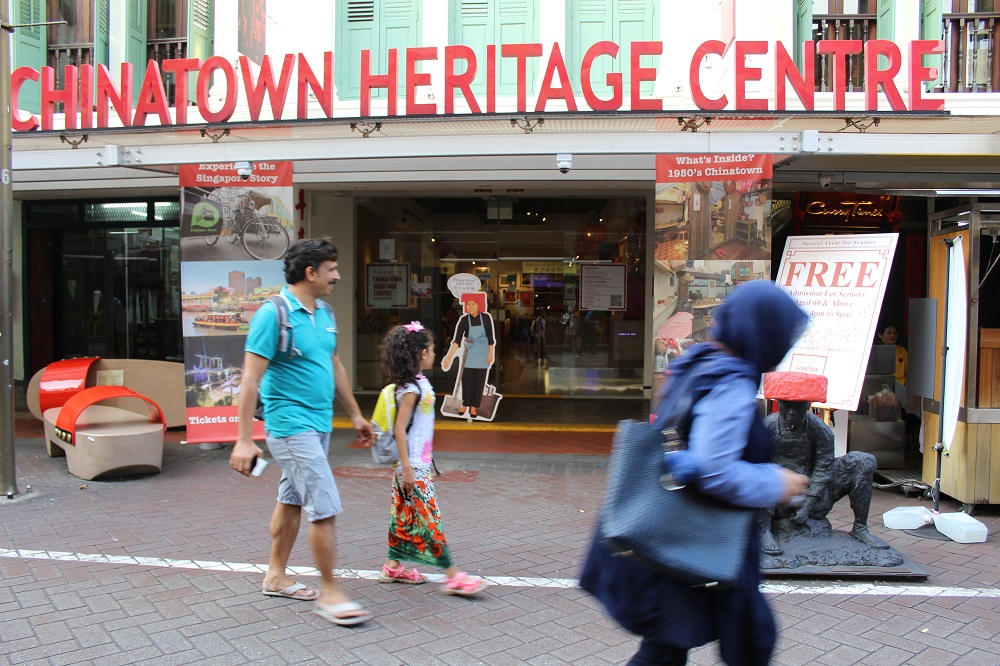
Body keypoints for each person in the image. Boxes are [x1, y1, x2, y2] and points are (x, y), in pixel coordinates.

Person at [580, 280, 812, 666]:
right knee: (750, 637)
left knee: (668, 647)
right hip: (705, 537)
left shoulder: (698, 361)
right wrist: (777, 483)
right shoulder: (732, 382)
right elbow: (713, 469)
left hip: (676, 534)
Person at [230, 238, 375, 627]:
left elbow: (334, 364)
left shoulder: (325, 312)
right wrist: (245, 439)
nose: (338, 276)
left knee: (292, 498)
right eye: (331, 269)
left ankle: (275, 577)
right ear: (311, 273)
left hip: (319, 424)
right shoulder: (272, 315)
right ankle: (330, 593)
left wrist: (357, 416)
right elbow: (249, 380)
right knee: (323, 505)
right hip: (290, 426)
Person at [375, 321, 488, 595]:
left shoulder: (418, 383)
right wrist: (407, 469)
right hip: (412, 467)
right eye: (434, 349)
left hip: (413, 465)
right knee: (429, 520)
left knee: (402, 517)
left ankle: (392, 567)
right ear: (421, 354)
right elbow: (400, 429)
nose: (436, 353)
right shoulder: (412, 389)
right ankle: (453, 576)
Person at [760, 399, 890, 556]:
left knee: (864, 461)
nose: (792, 412)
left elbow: (824, 467)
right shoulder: (767, 427)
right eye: (787, 406)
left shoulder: (820, 430)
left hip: (814, 495)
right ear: (778, 404)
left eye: (799, 407)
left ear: (808, 406)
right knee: (757, 470)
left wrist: (807, 505)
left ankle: (860, 527)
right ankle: (764, 530)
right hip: (776, 499)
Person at [441, 292, 495, 418]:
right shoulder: (464, 320)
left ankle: (474, 407)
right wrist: (448, 357)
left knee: (479, 381)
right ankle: (465, 404)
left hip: (483, 354)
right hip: (469, 354)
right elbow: (457, 341)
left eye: (473, 304)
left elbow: (491, 339)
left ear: (478, 305)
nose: (470, 307)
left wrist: (490, 354)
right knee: (467, 380)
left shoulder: (486, 318)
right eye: (468, 304)